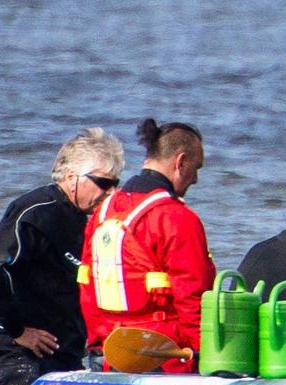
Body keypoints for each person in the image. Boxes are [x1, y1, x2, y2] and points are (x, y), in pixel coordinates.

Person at [0, 128, 126, 385]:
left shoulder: (88, 221)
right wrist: (18, 330)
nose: (111, 191)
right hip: (19, 349)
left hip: (62, 351)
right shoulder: (36, 211)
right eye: (103, 182)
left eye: (115, 183)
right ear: (71, 178)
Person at [78, 119, 216, 370]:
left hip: (109, 352)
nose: (195, 179)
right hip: (165, 356)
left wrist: (98, 346)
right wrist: (202, 355)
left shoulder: (102, 213)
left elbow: (88, 287)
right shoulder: (177, 218)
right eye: (196, 168)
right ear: (181, 162)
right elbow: (192, 296)